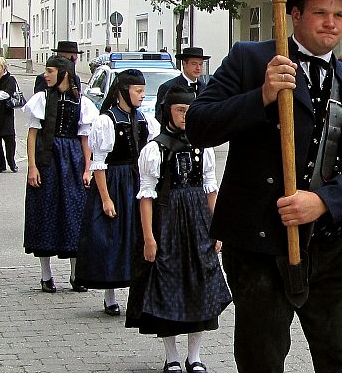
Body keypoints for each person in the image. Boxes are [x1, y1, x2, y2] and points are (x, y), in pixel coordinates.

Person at [185, 0, 342, 372]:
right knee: (260, 359)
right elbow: (198, 126)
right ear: (294, 15)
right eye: (320, 12)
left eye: (339, 15)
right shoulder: (251, 59)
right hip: (259, 247)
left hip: (331, 248)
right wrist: (260, 95)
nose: (331, 22)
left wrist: (322, 201)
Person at [126, 85, 231, 373]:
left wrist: (217, 228)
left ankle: (194, 356)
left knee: (200, 287)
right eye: (180, 110)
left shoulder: (203, 146)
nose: (186, 116)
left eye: (189, 110)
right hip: (167, 223)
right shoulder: (154, 149)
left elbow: (211, 191)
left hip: (198, 224)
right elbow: (146, 197)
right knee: (167, 287)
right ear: (167, 112)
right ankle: (171, 356)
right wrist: (149, 237)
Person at [75, 69, 160, 316]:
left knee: (139, 235)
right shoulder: (106, 120)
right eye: (138, 91)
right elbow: (98, 163)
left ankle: (140, 293)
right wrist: (105, 198)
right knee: (112, 237)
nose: (143, 96)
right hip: (115, 181)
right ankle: (110, 295)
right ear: (124, 91)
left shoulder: (145, 120)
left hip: (137, 180)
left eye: (143, 90)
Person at [23, 55, 98, 293]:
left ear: (63, 73)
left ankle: (77, 274)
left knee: (74, 214)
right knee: (44, 212)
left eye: (50, 71)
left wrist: (88, 168)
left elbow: (85, 138)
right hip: (47, 160)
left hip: (72, 160)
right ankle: (46, 275)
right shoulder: (41, 99)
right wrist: (32, 167)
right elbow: (33, 135)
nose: (45, 75)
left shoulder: (81, 102)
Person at [154, 47, 209, 123]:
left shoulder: (205, 88)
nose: (198, 68)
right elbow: (160, 116)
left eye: (200, 64)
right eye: (194, 64)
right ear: (184, 64)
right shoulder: (168, 87)